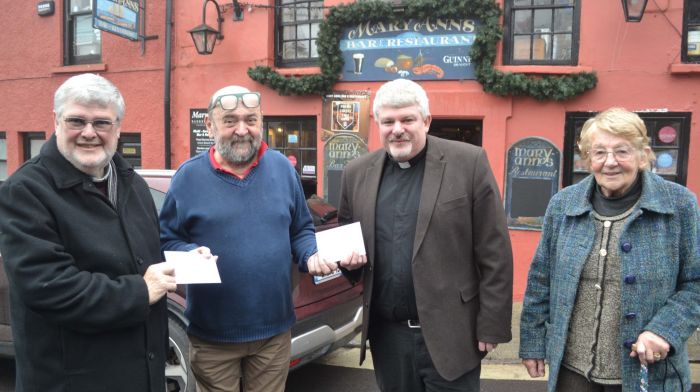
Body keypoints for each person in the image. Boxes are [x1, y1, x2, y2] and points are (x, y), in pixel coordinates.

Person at [315, 78, 514, 391]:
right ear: (377, 123)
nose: (398, 129)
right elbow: (348, 239)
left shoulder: (468, 163)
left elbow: (495, 252)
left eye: (407, 119)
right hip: (388, 336)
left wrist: (491, 324)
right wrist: (348, 264)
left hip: (452, 333)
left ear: (426, 120)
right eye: (388, 121)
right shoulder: (357, 172)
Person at [0, 73, 175, 392]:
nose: (89, 133)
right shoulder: (26, 191)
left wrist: (187, 262)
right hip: (71, 381)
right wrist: (140, 291)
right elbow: (50, 288)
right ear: (56, 121)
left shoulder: (131, 183)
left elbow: (144, 259)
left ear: (118, 127)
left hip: (141, 376)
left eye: (102, 123)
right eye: (77, 120)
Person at [159, 85, 328, 392]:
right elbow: (166, 239)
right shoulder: (187, 178)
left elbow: (301, 230)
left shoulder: (282, 169)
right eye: (230, 120)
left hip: (273, 334)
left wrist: (311, 254)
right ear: (209, 125)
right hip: (212, 337)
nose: (242, 130)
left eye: (251, 119)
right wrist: (189, 252)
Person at [519, 107, 700, 391]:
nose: (610, 162)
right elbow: (541, 278)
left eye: (622, 151)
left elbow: (695, 282)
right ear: (588, 158)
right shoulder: (564, 204)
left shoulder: (679, 205)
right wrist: (532, 342)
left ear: (643, 155)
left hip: (646, 372)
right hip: (573, 372)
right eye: (599, 152)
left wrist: (664, 330)